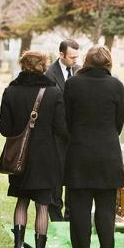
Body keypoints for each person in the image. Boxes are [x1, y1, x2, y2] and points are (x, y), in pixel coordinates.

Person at [0, 50, 68, 248]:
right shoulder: (54, 92)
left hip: (20, 157)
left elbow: (4, 129)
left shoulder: (10, 91)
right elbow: (61, 128)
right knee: (42, 205)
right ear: (44, 66)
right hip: (46, 156)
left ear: (22, 66)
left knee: (21, 202)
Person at [64, 46, 124, 248]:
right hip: (107, 151)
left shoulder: (73, 84)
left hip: (80, 150)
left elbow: (67, 119)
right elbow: (119, 121)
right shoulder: (116, 85)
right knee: (106, 208)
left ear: (87, 61)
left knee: (79, 208)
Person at [44, 38, 81, 221]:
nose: (75, 60)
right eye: (72, 57)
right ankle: (56, 216)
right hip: (56, 135)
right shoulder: (50, 74)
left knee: (73, 175)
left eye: (77, 56)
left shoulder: (79, 71)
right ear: (61, 55)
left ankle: (70, 215)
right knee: (57, 177)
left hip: (75, 134)